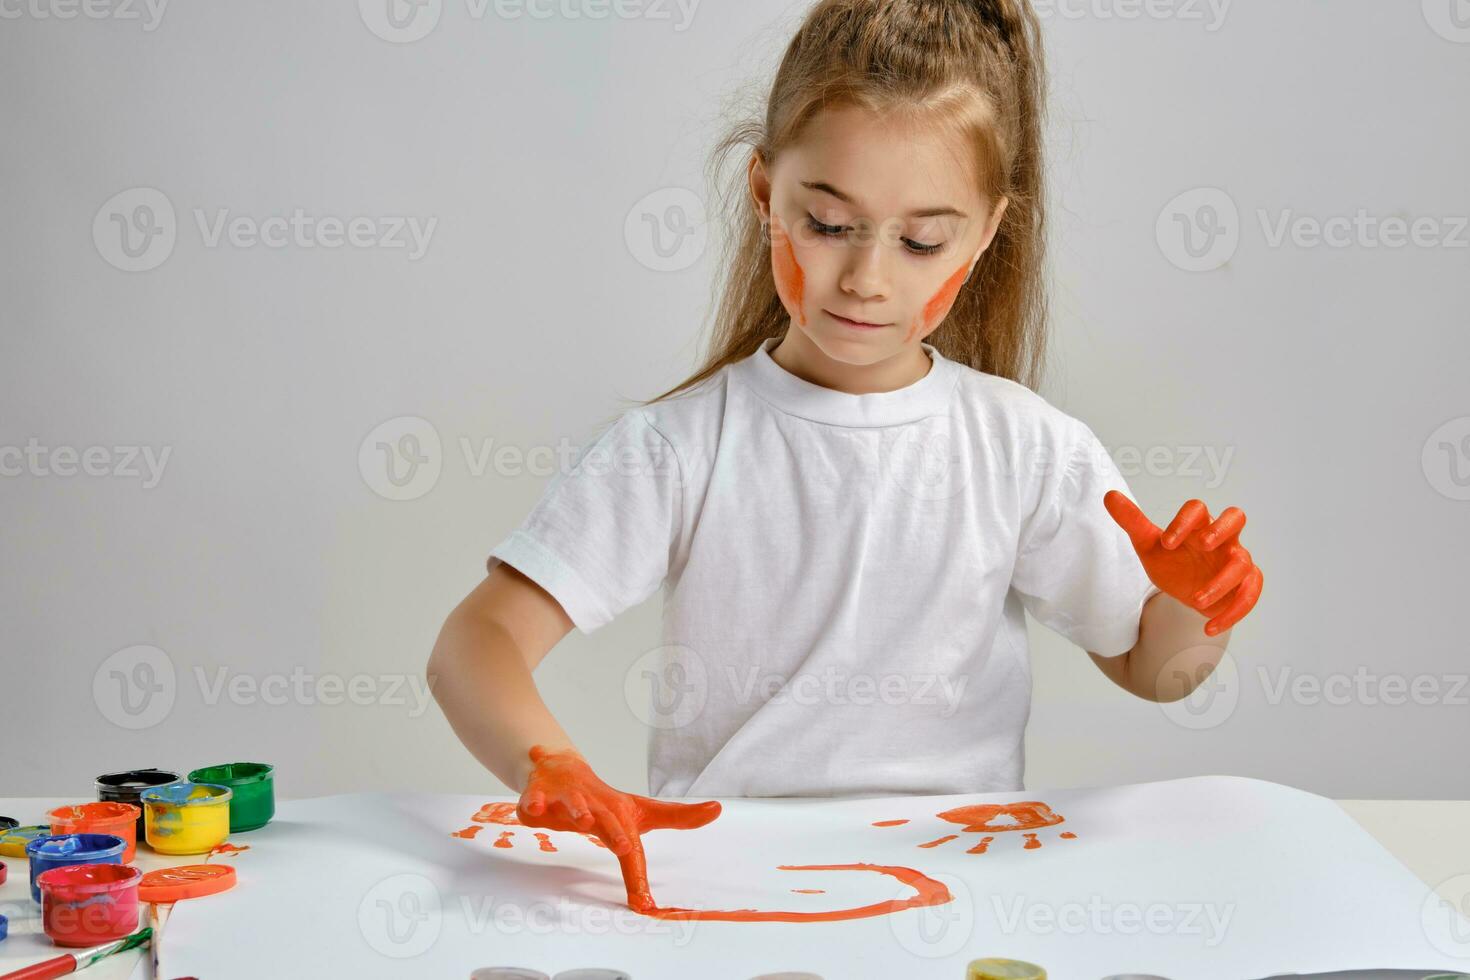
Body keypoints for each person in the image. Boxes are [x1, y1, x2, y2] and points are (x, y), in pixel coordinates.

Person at [427, 0, 1263, 913]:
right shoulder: (678, 449)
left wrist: (1195, 608)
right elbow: (476, 644)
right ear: (763, 194)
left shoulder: (1027, 448)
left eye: (921, 241)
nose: (867, 278)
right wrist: (546, 761)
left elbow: (1154, 669)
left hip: (955, 893)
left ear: (986, 233)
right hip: (722, 890)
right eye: (827, 224)